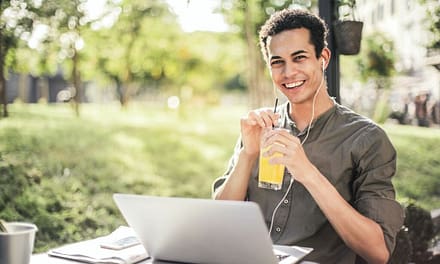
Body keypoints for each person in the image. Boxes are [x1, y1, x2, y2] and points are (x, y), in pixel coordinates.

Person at [212, 9, 404, 264]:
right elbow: (220, 219)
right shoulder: (261, 127)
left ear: (322, 58)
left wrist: (307, 172)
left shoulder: (367, 139)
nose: (288, 72)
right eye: (277, 62)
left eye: (299, 58)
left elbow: (377, 252)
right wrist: (247, 155)